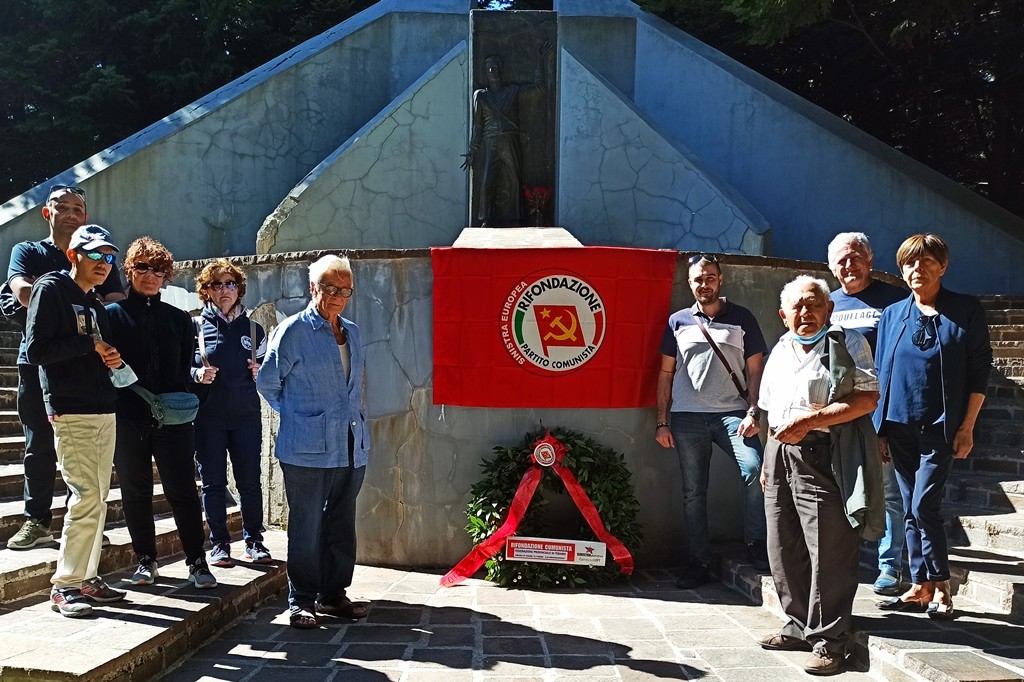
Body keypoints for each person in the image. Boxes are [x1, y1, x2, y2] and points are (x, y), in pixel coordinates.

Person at [757, 275, 881, 676]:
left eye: (814, 304)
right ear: (783, 314)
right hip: (779, 452)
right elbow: (767, 408)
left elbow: (866, 399)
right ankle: (797, 623)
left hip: (824, 452)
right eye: (797, 306)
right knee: (783, 541)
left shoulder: (846, 343)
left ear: (828, 309)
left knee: (830, 548)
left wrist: (813, 420)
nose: (806, 312)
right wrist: (766, 459)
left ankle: (831, 640)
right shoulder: (780, 348)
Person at [874, 234, 991, 619]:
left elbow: (979, 372)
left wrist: (967, 427)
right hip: (898, 424)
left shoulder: (965, 310)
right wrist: (881, 430)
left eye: (925, 262)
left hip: (941, 427)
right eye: (909, 263)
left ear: (942, 266)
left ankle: (942, 585)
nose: (916, 269)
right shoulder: (893, 315)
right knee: (909, 506)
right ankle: (920, 585)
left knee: (925, 504)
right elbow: (881, 373)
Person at [5, 186, 124, 550]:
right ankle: (36, 520)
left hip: (89, 367)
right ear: (47, 212)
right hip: (38, 362)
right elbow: (22, 292)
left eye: (78, 209)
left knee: (88, 455)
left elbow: (115, 301)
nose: (71, 213)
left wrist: (79, 295)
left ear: (84, 216)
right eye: (63, 207)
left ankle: (84, 524)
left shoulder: (100, 255)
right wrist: (72, 293)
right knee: (38, 443)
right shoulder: (28, 251)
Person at [257, 255, 370, 629]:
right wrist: (299, 417)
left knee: (341, 524)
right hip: (305, 450)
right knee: (306, 527)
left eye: (345, 289)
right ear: (313, 288)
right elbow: (268, 383)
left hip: (351, 445)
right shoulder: (292, 331)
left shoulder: (352, 331)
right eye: (330, 288)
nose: (337, 296)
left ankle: (333, 594)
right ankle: (301, 599)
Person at [25, 225, 126, 616]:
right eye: (96, 255)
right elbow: (36, 350)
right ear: (74, 256)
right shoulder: (51, 288)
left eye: (109, 257)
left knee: (97, 498)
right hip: (71, 409)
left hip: (103, 407)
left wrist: (109, 358)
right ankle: (65, 585)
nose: (104, 264)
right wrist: (91, 344)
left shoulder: (96, 303)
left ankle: (87, 576)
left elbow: (91, 351)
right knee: (85, 496)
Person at [105, 237, 217, 589]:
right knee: (135, 492)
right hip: (128, 417)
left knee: (183, 491)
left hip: (173, 419)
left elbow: (186, 367)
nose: (150, 276)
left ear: (166, 276)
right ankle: (145, 560)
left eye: (157, 270)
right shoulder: (111, 316)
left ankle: (197, 562)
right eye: (142, 268)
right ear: (130, 271)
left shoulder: (179, 318)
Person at [655, 253, 769, 589]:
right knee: (693, 493)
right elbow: (664, 374)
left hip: (733, 415)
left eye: (709, 277)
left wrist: (753, 411)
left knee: (754, 472)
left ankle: (756, 546)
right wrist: (662, 421)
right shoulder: (678, 321)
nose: (704, 284)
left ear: (720, 280)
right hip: (687, 418)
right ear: (689, 284)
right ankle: (698, 562)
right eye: (697, 279)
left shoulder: (742, 318)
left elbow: (756, 370)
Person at [827, 232, 909, 596]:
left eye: (855, 257)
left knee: (888, 491)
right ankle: (843, 561)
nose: (849, 265)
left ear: (870, 260)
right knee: (839, 488)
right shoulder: (826, 303)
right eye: (841, 260)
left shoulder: (893, 300)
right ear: (831, 267)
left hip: (880, 411)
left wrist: (888, 423)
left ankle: (890, 567)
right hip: (836, 414)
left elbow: (900, 361)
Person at [192, 259, 272, 567]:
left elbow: (269, 371)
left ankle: (254, 541)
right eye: (216, 285)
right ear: (206, 291)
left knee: (249, 481)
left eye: (230, 284)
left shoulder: (253, 329)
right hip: (209, 419)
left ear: (239, 289)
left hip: (246, 418)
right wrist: (196, 374)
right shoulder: (196, 327)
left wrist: (260, 371)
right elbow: (180, 369)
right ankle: (220, 544)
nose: (224, 290)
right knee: (212, 483)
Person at [462, 43, 550, 227]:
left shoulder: (512, 91)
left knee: (515, 177)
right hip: (491, 141)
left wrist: (540, 60)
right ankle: (486, 218)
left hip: (510, 139)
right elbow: (477, 126)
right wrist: (472, 150)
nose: (492, 70)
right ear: (485, 72)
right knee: (487, 179)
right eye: (488, 68)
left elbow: (539, 88)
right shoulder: (480, 96)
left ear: (501, 69)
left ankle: (517, 217)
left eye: (495, 67)